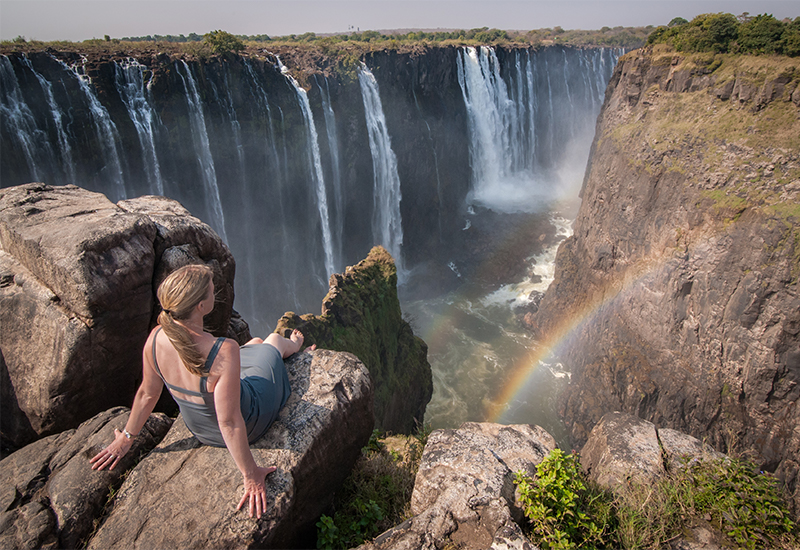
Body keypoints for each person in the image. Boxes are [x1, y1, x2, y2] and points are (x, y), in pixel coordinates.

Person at [90, 264, 304, 519]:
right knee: (272, 342)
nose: (216, 294)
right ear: (201, 306)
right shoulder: (223, 349)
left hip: (201, 429)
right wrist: (251, 475)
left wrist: (126, 437)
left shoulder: (156, 338)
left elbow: (147, 394)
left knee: (254, 345)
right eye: (212, 291)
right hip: (251, 421)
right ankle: (294, 345)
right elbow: (229, 421)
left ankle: (260, 346)